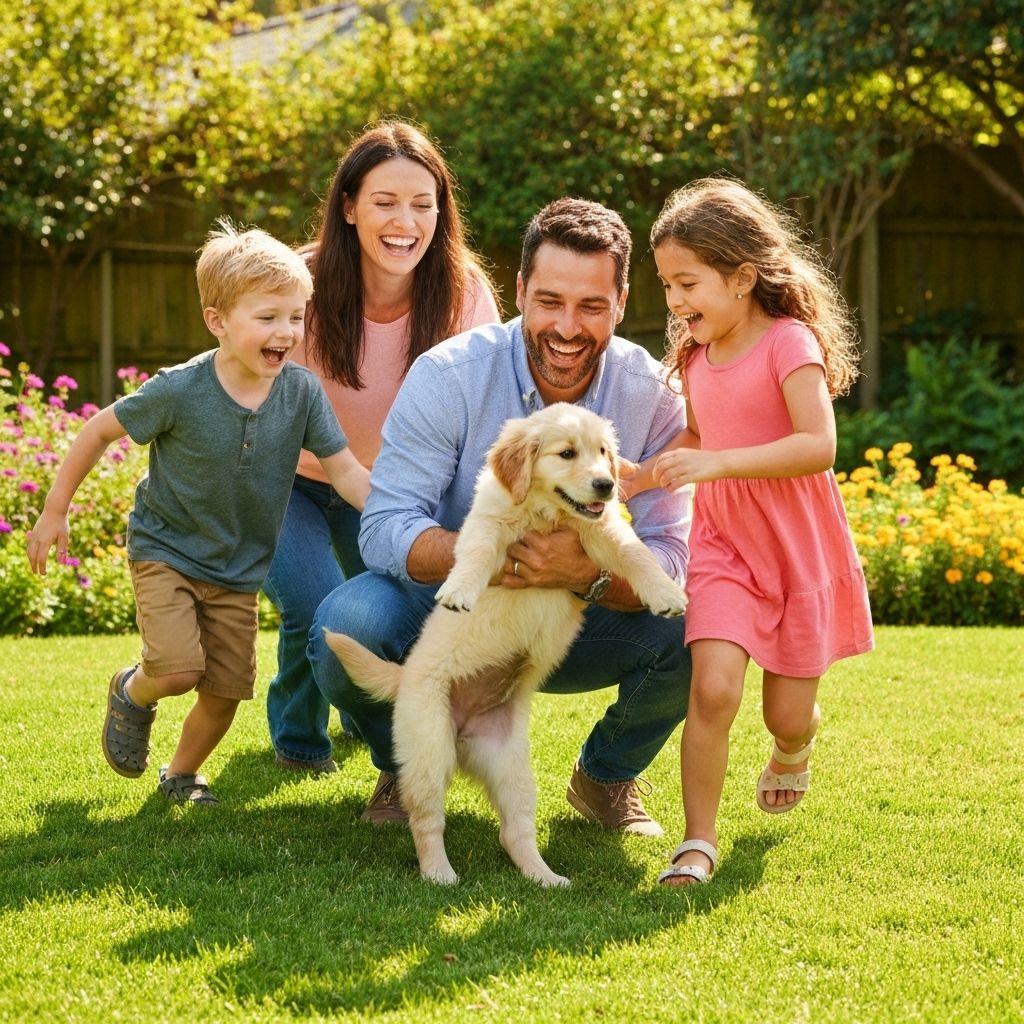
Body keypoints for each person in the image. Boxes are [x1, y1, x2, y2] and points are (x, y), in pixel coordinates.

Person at [307, 197, 693, 836]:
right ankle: (403, 767)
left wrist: (582, 574)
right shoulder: (449, 376)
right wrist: (491, 554)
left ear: (621, 304)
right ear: (518, 291)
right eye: (549, 301)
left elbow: (670, 554)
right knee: (343, 627)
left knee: (699, 627)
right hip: (450, 612)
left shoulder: (649, 394)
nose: (567, 327)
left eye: (592, 306)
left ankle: (605, 778)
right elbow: (383, 524)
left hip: (574, 623)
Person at [26, 221, 371, 806]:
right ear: (218, 321)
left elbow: (345, 473)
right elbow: (97, 430)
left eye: (295, 316)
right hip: (167, 551)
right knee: (180, 669)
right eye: (267, 317)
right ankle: (133, 692)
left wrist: (406, 517)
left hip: (238, 568)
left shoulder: (302, 393)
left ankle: (180, 774)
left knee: (226, 690)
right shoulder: (179, 390)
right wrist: (54, 510)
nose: (285, 331)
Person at [625, 177, 874, 885]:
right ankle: (696, 843)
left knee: (786, 714)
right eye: (667, 284)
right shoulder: (696, 356)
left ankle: (794, 749)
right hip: (726, 547)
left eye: (686, 283)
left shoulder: (789, 342)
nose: (674, 302)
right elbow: (701, 435)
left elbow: (817, 445)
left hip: (797, 550)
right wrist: (643, 475)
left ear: (740, 277)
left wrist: (718, 461)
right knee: (713, 690)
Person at [263, 120, 501, 776]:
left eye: (423, 204)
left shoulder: (461, 291)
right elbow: (240, 378)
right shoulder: (298, 283)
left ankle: (367, 720)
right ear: (348, 207)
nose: (406, 222)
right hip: (290, 476)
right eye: (385, 202)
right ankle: (299, 741)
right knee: (312, 602)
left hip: (389, 489)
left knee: (367, 613)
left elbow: (483, 406)